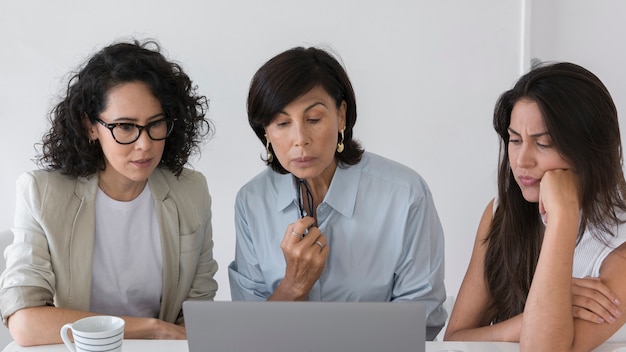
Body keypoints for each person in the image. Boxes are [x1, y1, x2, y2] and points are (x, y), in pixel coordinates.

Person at [0, 39, 218, 346]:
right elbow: (24, 322)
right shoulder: (42, 193)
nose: (145, 144)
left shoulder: (191, 191)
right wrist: (153, 328)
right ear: (90, 126)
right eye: (125, 127)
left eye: (156, 124)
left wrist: (164, 336)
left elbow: (197, 313)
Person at [227, 46, 447, 338]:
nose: (300, 140)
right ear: (266, 132)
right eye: (282, 124)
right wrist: (292, 287)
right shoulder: (252, 201)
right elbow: (248, 333)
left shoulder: (405, 194)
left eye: (314, 119)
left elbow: (422, 318)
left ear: (341, 116)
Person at [444, 62, 626, 350]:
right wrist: (527, 319)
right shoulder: (501, 211)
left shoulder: (621, 243)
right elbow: (454, 339)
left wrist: (564, 213)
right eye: (515, 140)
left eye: (543, 144)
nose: (521, 161)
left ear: (590, 148)